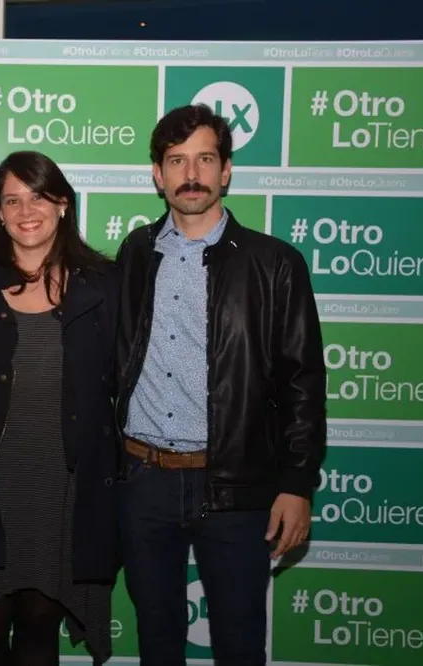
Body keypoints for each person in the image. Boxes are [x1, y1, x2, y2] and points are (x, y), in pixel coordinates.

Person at [112, 103, 327, 665]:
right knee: (156, 639)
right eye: (177, 161)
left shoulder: (274, 263)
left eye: (205, 159)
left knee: (238, 641)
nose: (191, 174)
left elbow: (304, 379)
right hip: (144, 479)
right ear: (157, 174)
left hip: (236, 483)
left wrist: (297, 482)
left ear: (226, 170)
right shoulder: (135, 253)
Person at [0, 151, 120, 666]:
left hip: (59, 493)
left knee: (39, 629)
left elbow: (127, 385)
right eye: (12, 200)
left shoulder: (105, 285)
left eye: (38, 196)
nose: (25, 210)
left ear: (63, 204)